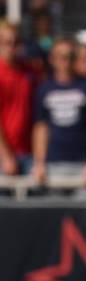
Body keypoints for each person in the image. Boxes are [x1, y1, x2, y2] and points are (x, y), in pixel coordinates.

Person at [31, 38, 86, 186]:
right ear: (52, 59)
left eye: (70, 57)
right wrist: (39, 163)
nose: (66, 62)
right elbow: (41, 128)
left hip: (82, 164)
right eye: (61, 57)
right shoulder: (44, 89)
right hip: (52, 164)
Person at [0, 20, 33, 175]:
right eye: (6, 42)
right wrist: (5, 155)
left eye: (15, 42)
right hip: (5, 156)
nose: (11, 47)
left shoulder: (29, 72)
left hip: (27, 153)